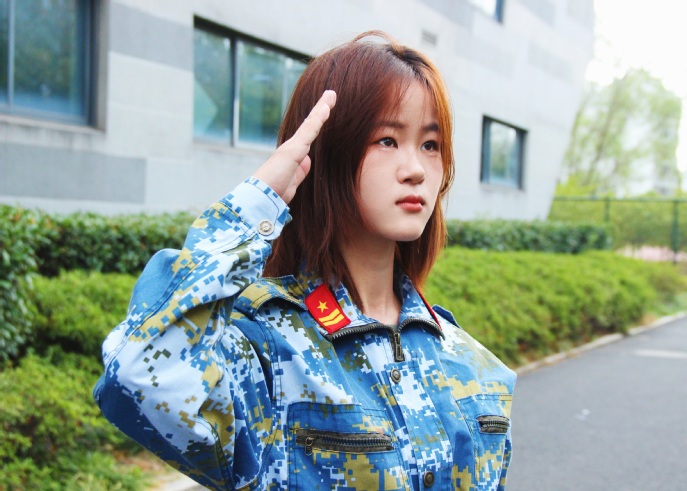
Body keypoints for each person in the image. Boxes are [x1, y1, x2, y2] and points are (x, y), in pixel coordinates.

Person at [95, 31, 516, 491]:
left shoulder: (475, 367)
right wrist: (258, 203)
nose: (416, 169)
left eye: (430, 145)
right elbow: (139, 373)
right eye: (387, 140)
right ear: (328, 151)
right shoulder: (269, 348)